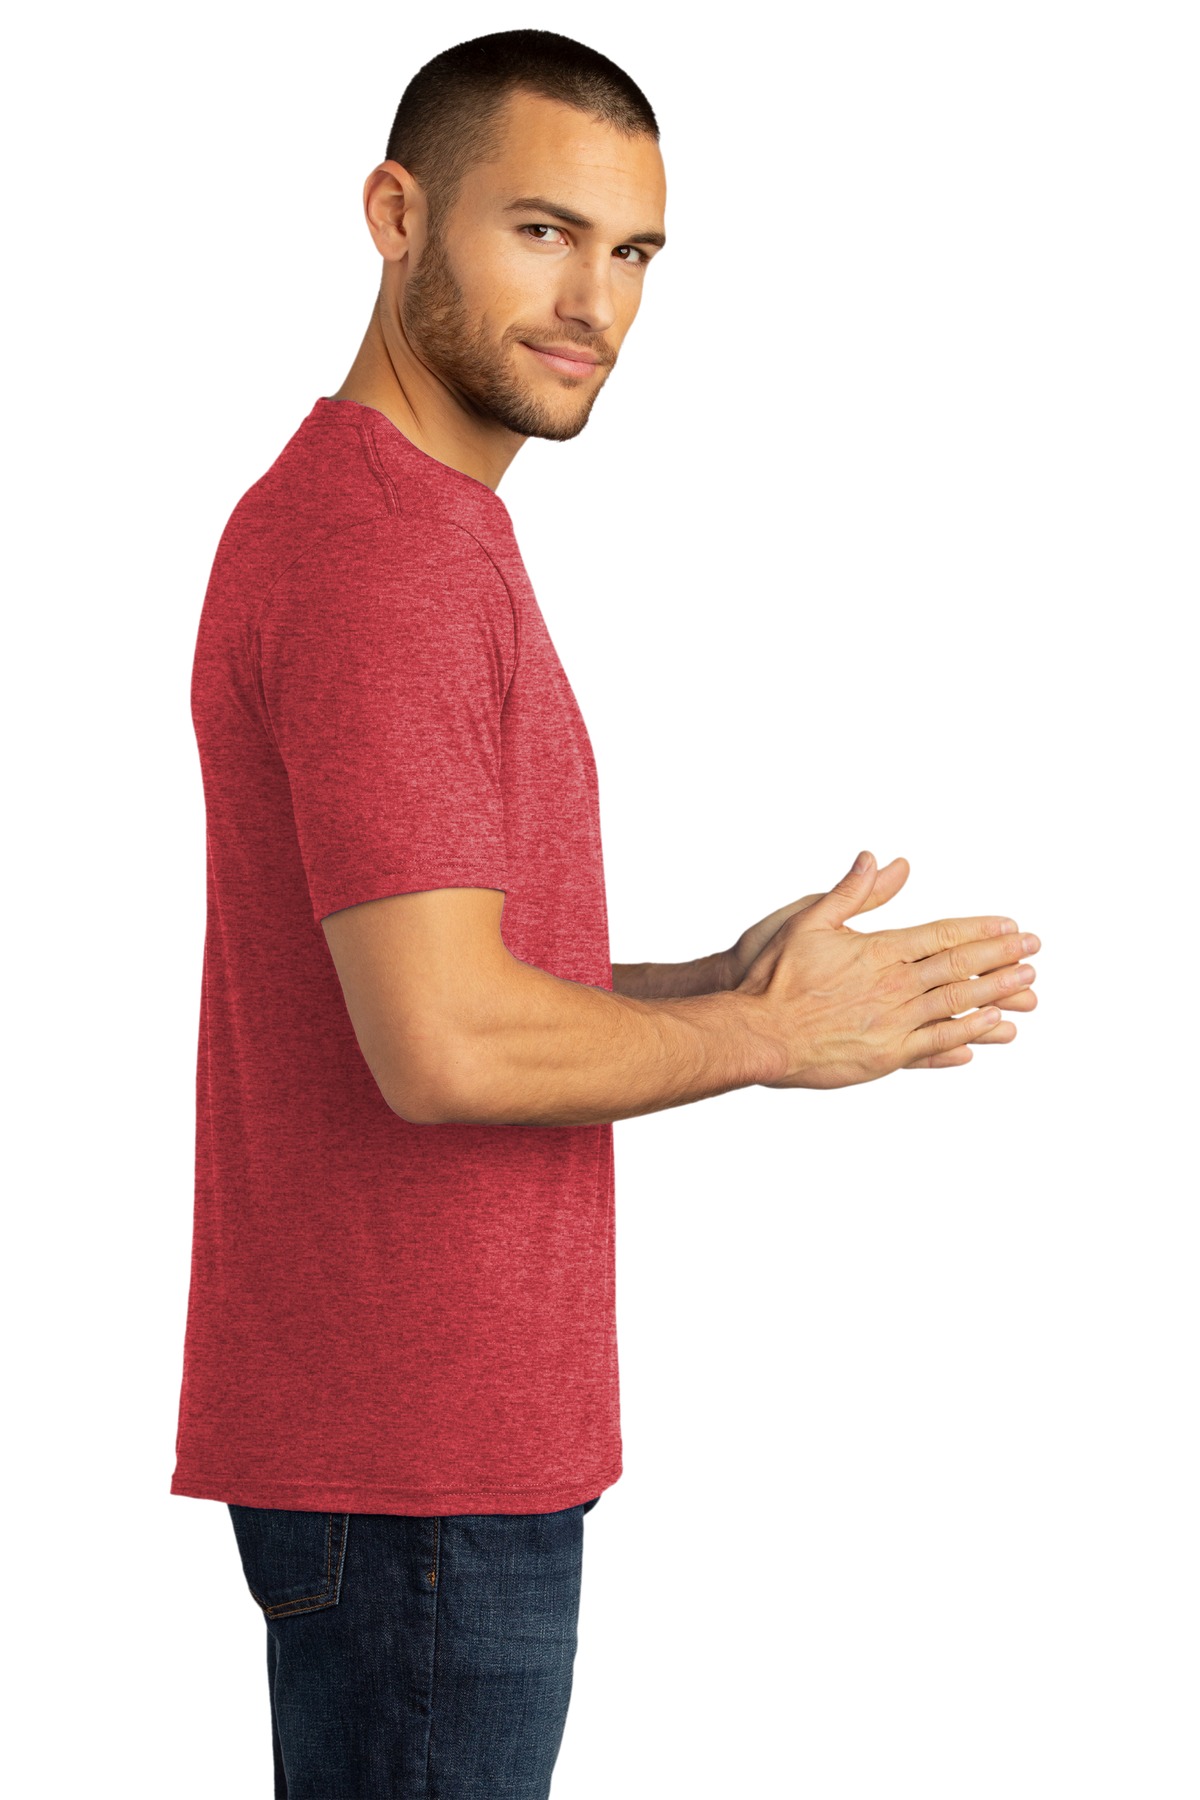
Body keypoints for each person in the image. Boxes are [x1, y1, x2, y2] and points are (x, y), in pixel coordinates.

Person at [170, 27, 1040, 1799]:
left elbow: (443, 982)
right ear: (396, 213)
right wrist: (771, 1037)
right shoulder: (383, 555)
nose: (596, 304)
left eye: (634, 251)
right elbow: (443, 1045)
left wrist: (716, 976)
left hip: (431, 1451)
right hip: (420, 1465)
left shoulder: (415, 529)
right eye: (543, 232)